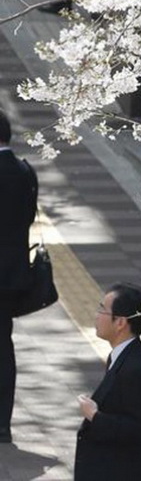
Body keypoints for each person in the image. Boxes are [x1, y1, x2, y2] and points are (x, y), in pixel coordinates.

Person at [74, 282, 141, 481]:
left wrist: (95, 416)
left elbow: (140, 429)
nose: (97, 314)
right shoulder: (123, 356)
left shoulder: (136, 368)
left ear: (120, 322)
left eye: (102, 309)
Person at [0, 109, 38, 443]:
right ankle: (2, 423)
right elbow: (27, 217)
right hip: (12, 277)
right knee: (3, 346)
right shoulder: (25, 171)